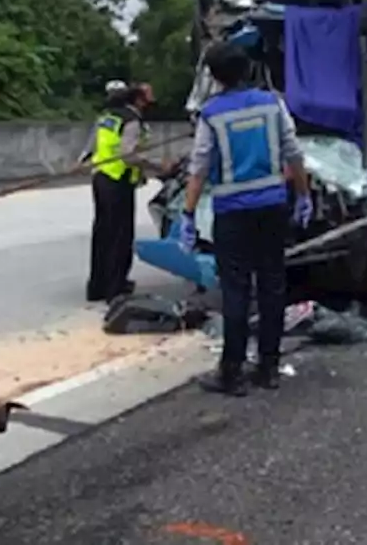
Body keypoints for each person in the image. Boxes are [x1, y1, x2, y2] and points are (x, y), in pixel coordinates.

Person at [181, 43, 312, 396]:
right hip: (272, 207)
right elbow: (293, 153)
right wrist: (302, 195)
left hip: (232, 213)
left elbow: (199, 170)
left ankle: (232, 373)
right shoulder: (272, 103)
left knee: (236, 291)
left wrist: (189, 214)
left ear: (215, 76)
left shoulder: (212, 113)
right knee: (272, 287)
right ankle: (268, 368)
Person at [84, 80, 160, 303]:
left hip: (101, 177)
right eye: (147, 98)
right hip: (118, 181)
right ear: (137, 100)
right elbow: (127, 154)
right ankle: (115, 289)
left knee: (102, 233)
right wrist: (157, 166)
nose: (150, 103)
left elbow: (93, 145)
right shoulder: (131, 120)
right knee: (120, 235)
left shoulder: (107, 117)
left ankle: (97, 286)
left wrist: (82, 160)